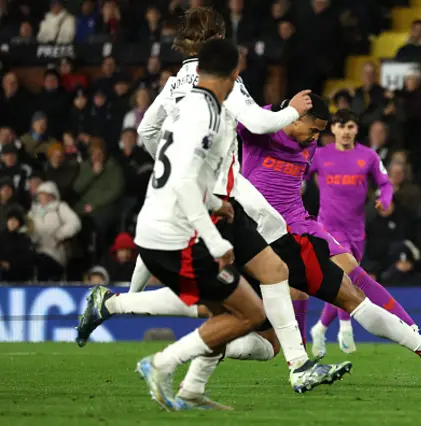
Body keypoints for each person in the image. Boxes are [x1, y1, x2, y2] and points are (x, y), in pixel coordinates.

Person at [77, 7, 351, 405]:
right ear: (228, 59)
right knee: (226, 302)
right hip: (204, 204)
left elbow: (146, 131)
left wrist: (166, 165)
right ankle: (137, 327)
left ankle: (295, 363)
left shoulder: (175, 85)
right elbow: (256, 124)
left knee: (268, 260)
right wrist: (292, 110)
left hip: (213, 196)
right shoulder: (213, 96)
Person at [239, 94, 421, 372]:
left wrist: (384, 199)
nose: (315, 137)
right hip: (267, 230)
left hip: (304, 224)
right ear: (295, 117)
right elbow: (246, 116)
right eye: (313, 129)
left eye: (321, 132)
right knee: (298, 291)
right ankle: (299, 352)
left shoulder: (324, 149)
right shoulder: (262, 133)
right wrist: (279, 108)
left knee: (353, 278)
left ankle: (415, 333)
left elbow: (383, 184)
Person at [118, 38, 275, 411]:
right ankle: (159, 363)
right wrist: (216, 242)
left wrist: (217, 203)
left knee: (226, 313)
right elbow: (186, 183)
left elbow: (181, 173)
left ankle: (191, 390)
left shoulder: (186, 106)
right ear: (235, 74)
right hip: (175, 238)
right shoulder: (207, 113)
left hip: (158, 229)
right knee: (250, 314)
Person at [305, 109, 412, 358]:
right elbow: (300, 175)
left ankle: (320, 328)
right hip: (328, 227)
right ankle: (345, 327)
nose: (345, 132)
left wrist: (385, 200)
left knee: (347, 282)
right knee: (346, 275)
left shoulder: (369, 156)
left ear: (356, 130)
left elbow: (385, 184)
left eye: (350, 126)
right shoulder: (320, 155)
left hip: (356, 229)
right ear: (332, 129)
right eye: (341, 126)